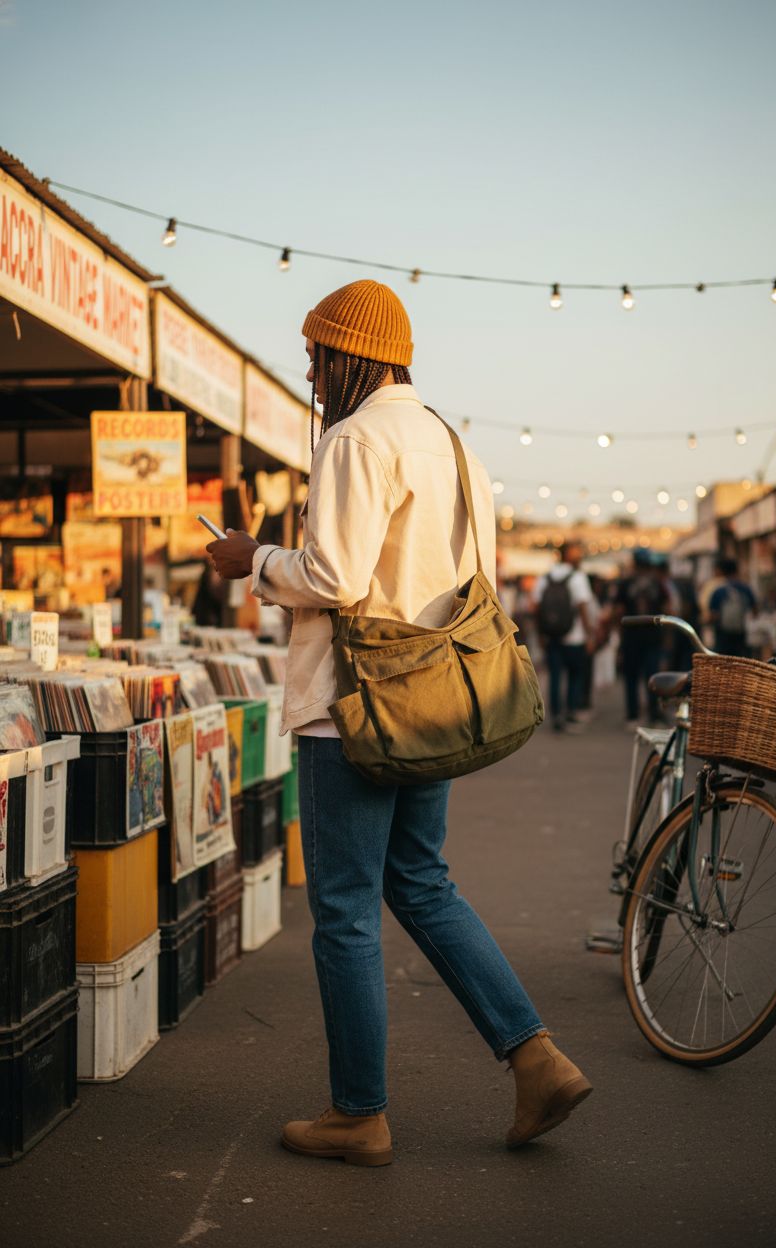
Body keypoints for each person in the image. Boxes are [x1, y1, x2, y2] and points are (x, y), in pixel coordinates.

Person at [208, 280, 591, 1167]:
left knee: (344, 908)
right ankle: (537, 1058)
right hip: (432, 703)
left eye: (315, 355)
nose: (308, 373)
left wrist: (252, 558)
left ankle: (359, 1114)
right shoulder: (453, 446)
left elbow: (336, 578)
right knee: (421, 885)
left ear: (351, 355)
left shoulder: (354, 439)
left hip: (352, 709)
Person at [533, 543, 596, 730]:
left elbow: (536, 606)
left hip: (552, 635)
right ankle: (571, 712)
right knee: (575, 675)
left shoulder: (546, 577)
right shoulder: (578, 577)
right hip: (574, 636)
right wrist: (589, 634)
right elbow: (583, 606)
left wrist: (541, 632)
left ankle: (555, 716)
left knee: (555, 676)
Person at [614, 550, 672, 727]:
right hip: (653, 637)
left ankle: (632, 716)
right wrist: (667, 636)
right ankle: (654, 716)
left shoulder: (625, 583)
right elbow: (669, 609)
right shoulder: (658, 583)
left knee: (631, 678)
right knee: (653, 678)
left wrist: (619, 635)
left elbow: (619, 612)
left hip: (631, 637)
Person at [708, 557, 756, 657]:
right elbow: (755, 611)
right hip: (741, 635)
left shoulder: (719, 591)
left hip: (723, 636)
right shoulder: (745, 588)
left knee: (724, 664)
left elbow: (713, 615)